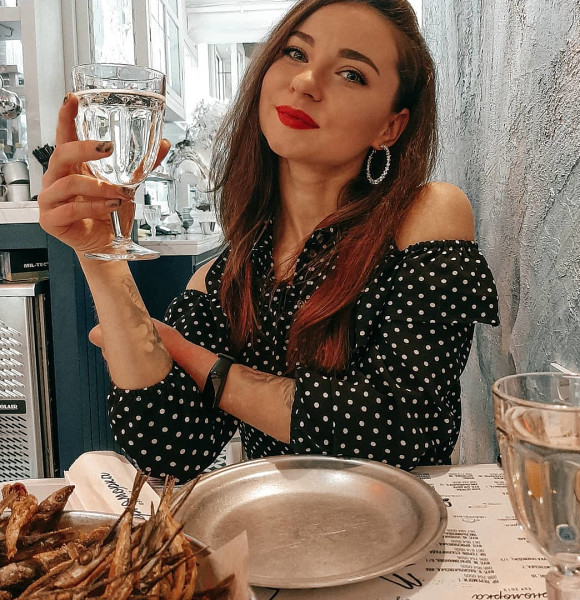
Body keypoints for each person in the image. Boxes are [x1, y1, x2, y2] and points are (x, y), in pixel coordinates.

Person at [38, 0, 499, 482]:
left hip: (403, 524)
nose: (306, 81)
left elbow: (406, 429)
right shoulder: (226, 277)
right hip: (274, 524)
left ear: (390, 126)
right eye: (296, 54)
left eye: (351, 74)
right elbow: (168, 449)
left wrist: (199, 362)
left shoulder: (425, 216)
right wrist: (101, 253)